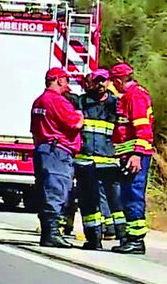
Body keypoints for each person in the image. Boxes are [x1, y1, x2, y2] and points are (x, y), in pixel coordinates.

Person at [30, 67, 84, 248]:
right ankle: (51, 233)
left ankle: (49, 231)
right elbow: (75, 123)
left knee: (47, 190)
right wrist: (80, 115)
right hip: (57, 152)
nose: (67, 85)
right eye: (66, 81)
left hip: (43, 149)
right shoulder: (56, 101)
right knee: (57, 190)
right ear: (59, 80)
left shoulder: (39, 101)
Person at [72, 69, 125, 250]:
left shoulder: (116, 104)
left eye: (104, 81)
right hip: (85, 161)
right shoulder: (81, 102)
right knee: (88, 202)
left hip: (109, 161)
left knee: (117, 204)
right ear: (91, 83)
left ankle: (124, 238)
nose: (101, 84)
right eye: (98, 81)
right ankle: (93, 239)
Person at [110, 62, 155, 254]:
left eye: (114, 80)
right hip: (129, 155)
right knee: (128, 195)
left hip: (135, 156)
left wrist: (136, 154)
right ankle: (131, 237)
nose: (112, 84)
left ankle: (136, 240)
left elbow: (143, 130)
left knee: (133, 195)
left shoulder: (135, 97)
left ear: (120, 80)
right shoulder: (130, 96)